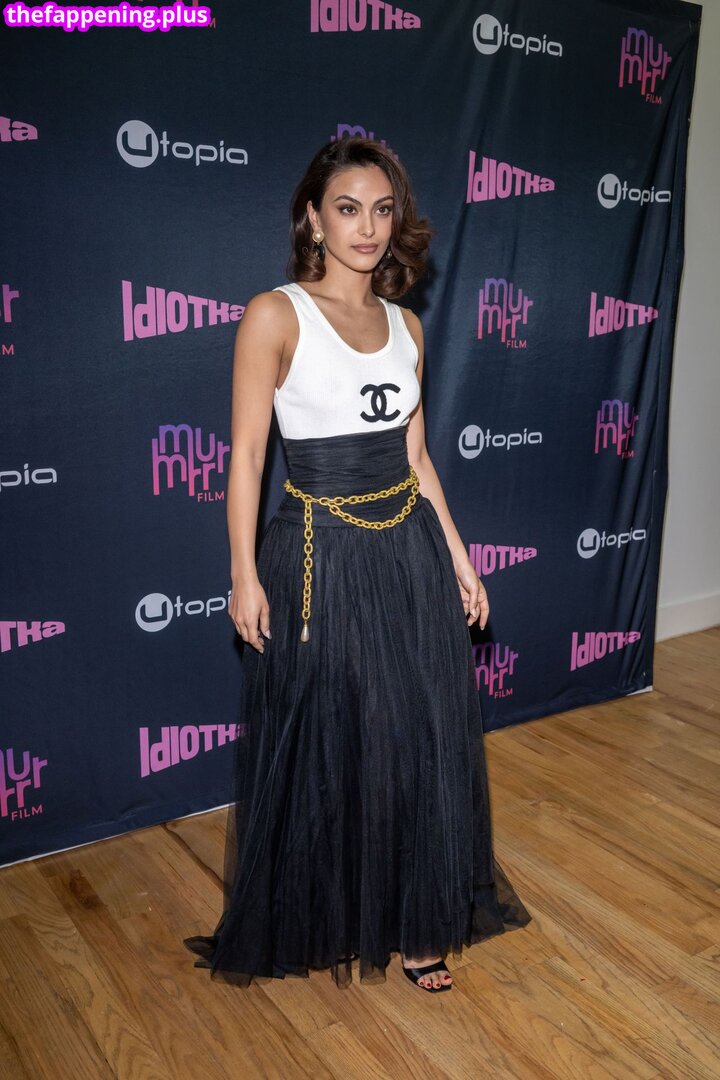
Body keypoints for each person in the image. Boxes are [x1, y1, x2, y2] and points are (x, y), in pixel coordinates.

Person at [184, 136, 531, 994]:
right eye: (347, 209)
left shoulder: (407, 326)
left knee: (418, 737)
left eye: (382, 210)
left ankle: (417, 925)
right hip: (320, 556)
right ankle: (333, 913)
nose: (367, 227)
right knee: (338, 741)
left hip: (408, 549)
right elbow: (247, 457)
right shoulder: (275, 316)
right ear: (313, 217)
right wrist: (242, 573)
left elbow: (417, 458)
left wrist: (460, 558)